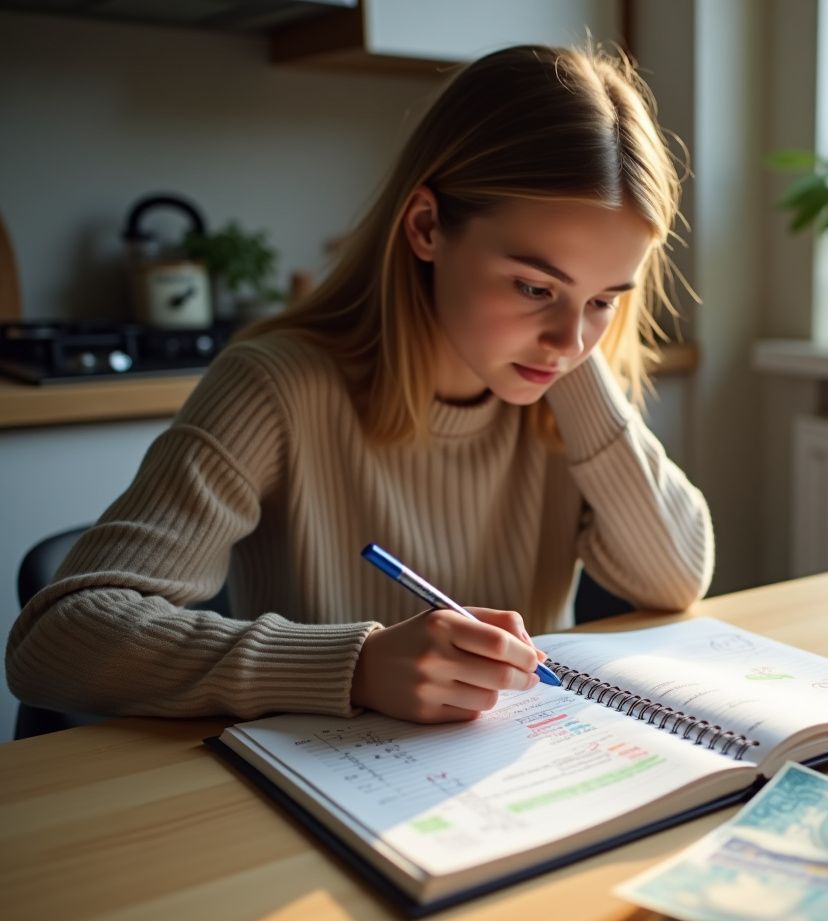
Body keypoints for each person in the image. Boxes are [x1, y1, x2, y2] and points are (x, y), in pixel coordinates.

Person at [7, 45, 714, 725]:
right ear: (427, 226)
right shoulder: (277, 387)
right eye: (534, 286)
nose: (570, 342)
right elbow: (58, 640)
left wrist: (573, 359)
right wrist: (357, 664)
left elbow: (677, 578)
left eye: (605, 299)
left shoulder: (563, 386)